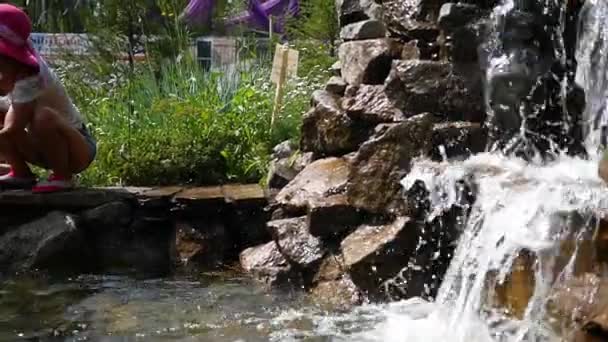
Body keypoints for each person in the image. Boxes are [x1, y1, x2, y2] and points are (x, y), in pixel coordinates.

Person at [0, 4, 96, 193]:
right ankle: (21, 173)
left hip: (75, 150)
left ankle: (63, 176)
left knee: (43, 117)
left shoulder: (32, 76)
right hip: (42, 148)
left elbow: (13, 128)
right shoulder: (11, 70)